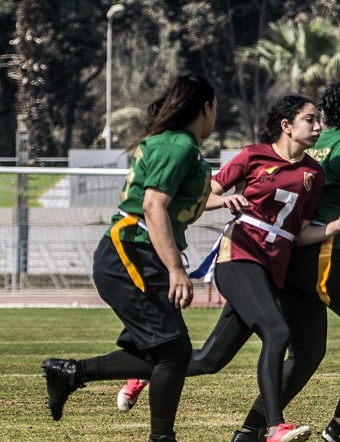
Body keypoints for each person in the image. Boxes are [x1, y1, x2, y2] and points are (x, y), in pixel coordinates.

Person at [115, 95, 340, 442]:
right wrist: (224, 199)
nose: (317, 127)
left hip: (270, 269)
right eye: (310, 120)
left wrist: (335, 227)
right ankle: (274, 427)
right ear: (286, 126)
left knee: (210, 360)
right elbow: (200, 198)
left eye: (318, 120)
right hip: (238, 256)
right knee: (277, 332)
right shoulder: (253, 155)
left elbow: (298, 234)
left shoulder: (314, 173)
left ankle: (147, 369)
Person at [42, 74, 217, 442]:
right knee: (174, 353)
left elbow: (172, 202)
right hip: (133, 253)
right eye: (215, 106)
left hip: (132, 253)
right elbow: (153, 206)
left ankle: (70, 374)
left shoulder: (174, 143)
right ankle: (160, 437)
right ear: (205, 107)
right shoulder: (179, 145)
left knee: (166, 352)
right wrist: (176, 269)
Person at [231, 79, 340, 442]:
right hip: (324, 251)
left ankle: (251, 429)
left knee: (307, 352)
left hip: (285, 254)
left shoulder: (310, 142)